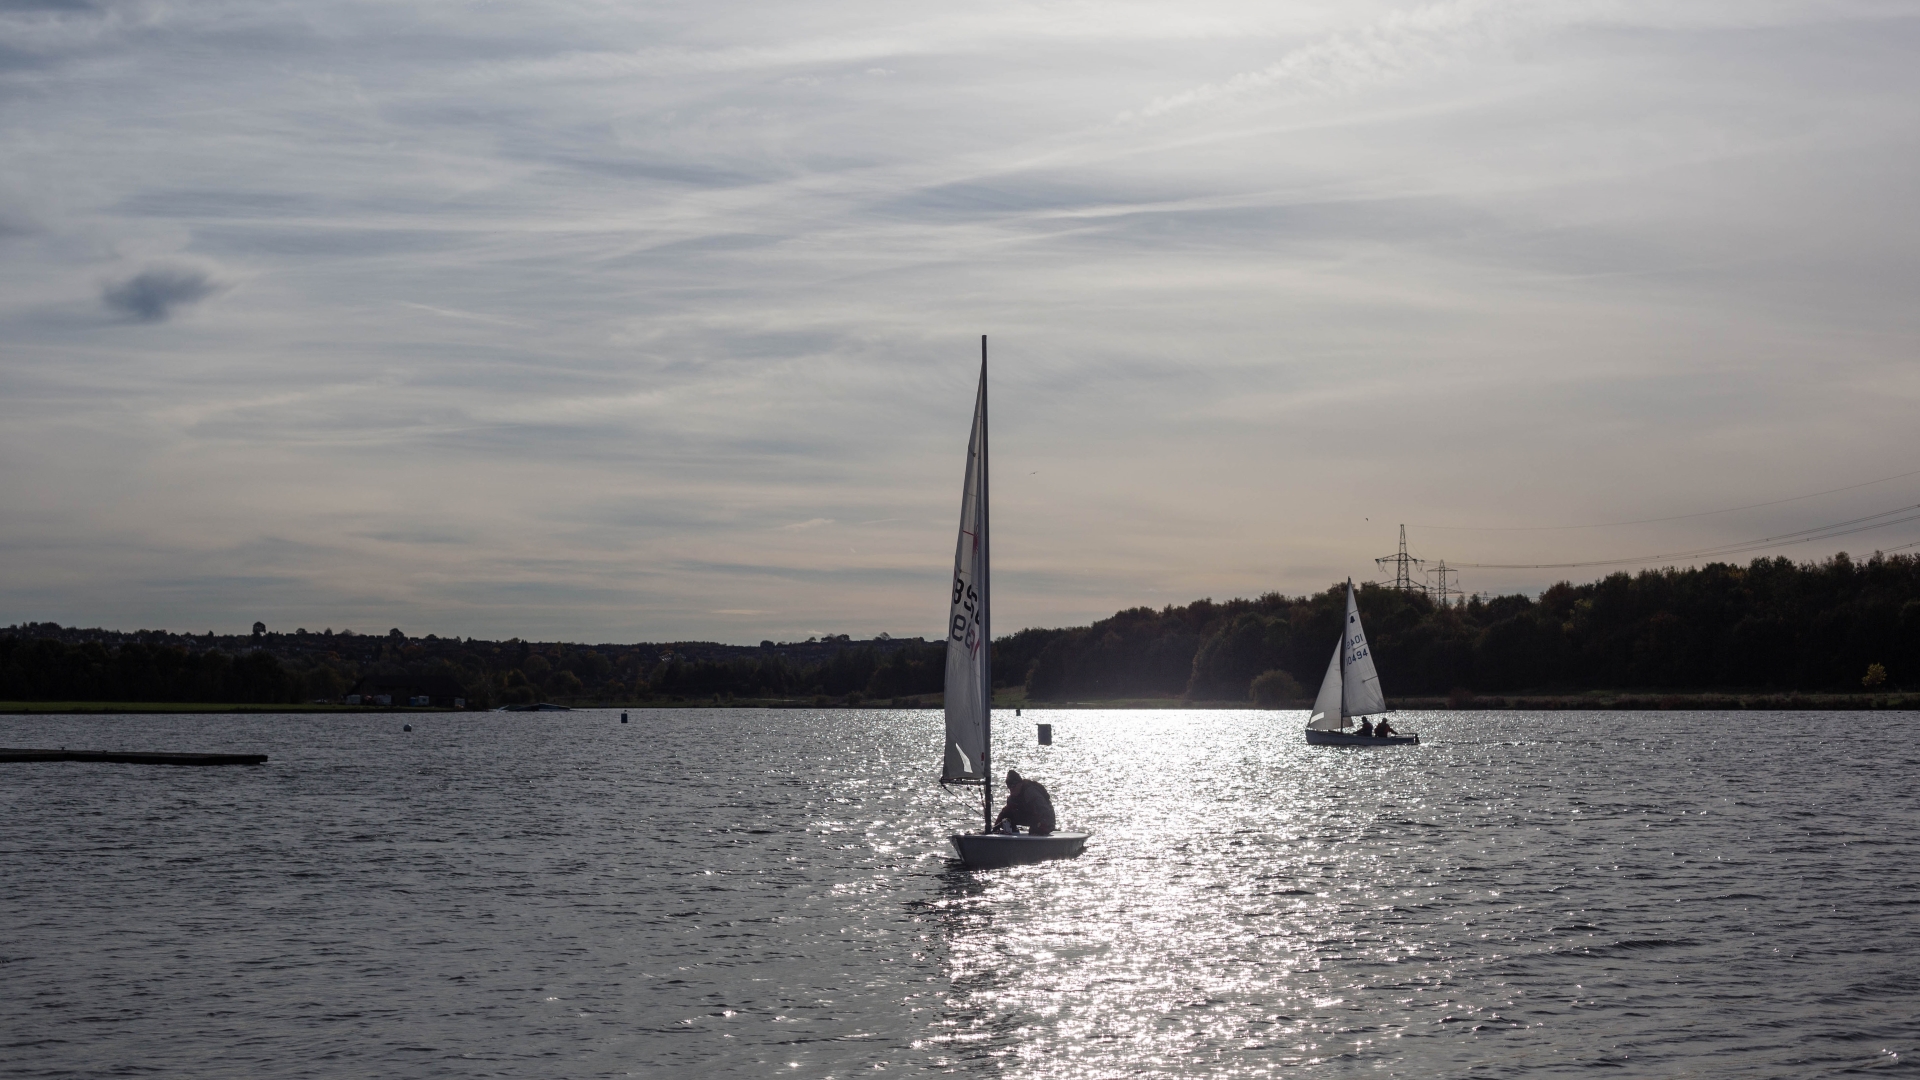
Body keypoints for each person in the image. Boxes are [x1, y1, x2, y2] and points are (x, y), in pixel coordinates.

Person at [992, 769, 1056, 836]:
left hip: (1046, 820)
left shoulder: (1031, 793)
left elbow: (1044, 810)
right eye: (1009, 786)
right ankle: (1012, 835)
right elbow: (1005, 812)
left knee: (1035, 830)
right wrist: (996, 826)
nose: (1011, 789)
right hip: (1031, 817)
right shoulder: (1012, 798)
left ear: (1020, 784)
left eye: (1013, 786)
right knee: (1006, 817)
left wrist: (1041, 826)